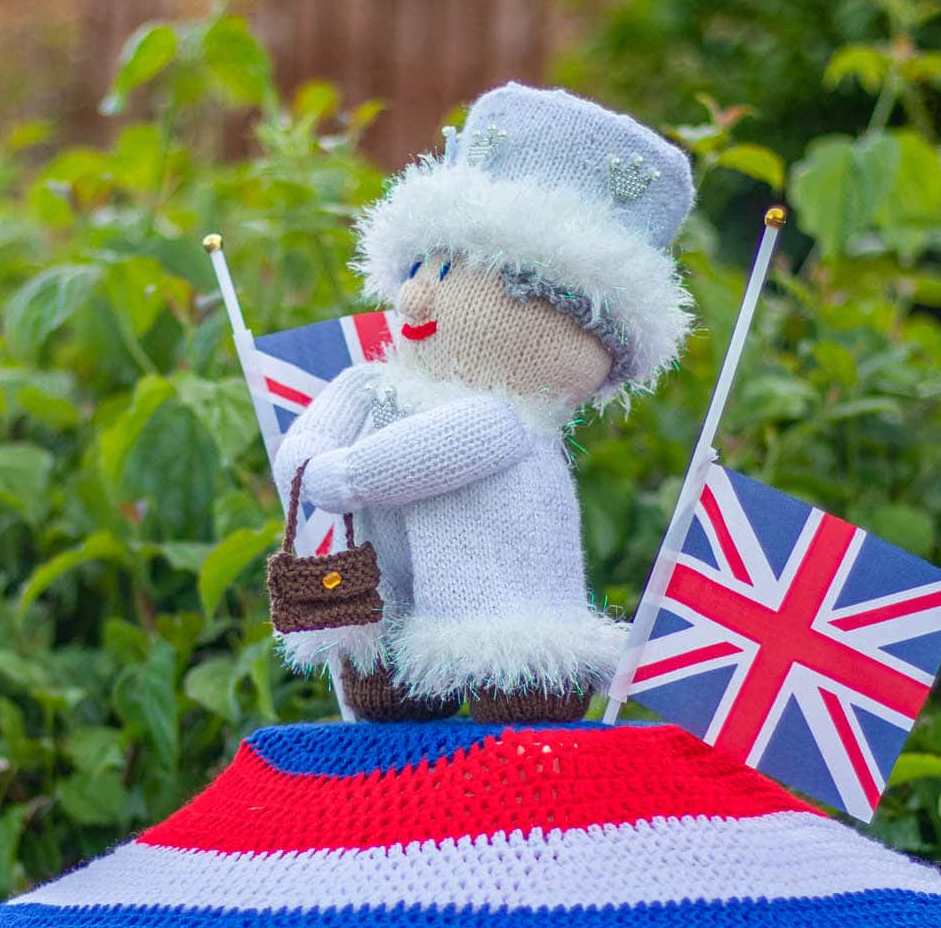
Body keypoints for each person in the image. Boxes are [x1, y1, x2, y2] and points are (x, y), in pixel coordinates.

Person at [273, 83, 696, 721]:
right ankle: (387, 662)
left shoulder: (499, 419)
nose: (414, 301)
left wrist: (349, 476)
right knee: (385, 665)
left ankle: (524, 680)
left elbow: (433, 453)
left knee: (513, 676)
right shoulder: (376, 385)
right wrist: (307, 463)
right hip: (386, 584)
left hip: (501, 604)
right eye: (421, 270)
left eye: (450, 278)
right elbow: (310, 435)